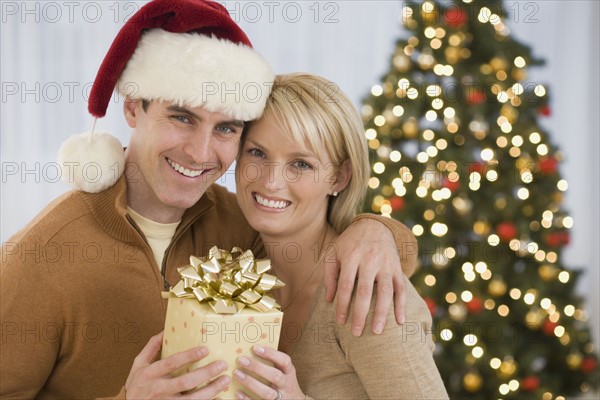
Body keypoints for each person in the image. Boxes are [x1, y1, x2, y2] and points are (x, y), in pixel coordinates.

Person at [0, 1, 418, 398]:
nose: (201, 153)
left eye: (226, 129)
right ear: (132, 108)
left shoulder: (241, 223)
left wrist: (377, 230)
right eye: (182, 117)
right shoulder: (43, 254)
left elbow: (326, 247)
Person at [231, 73, 448, 399]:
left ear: (340, 177)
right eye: (257, 153)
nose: (271, 181)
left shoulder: (370, 294)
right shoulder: (237, 270)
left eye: (301, 164)